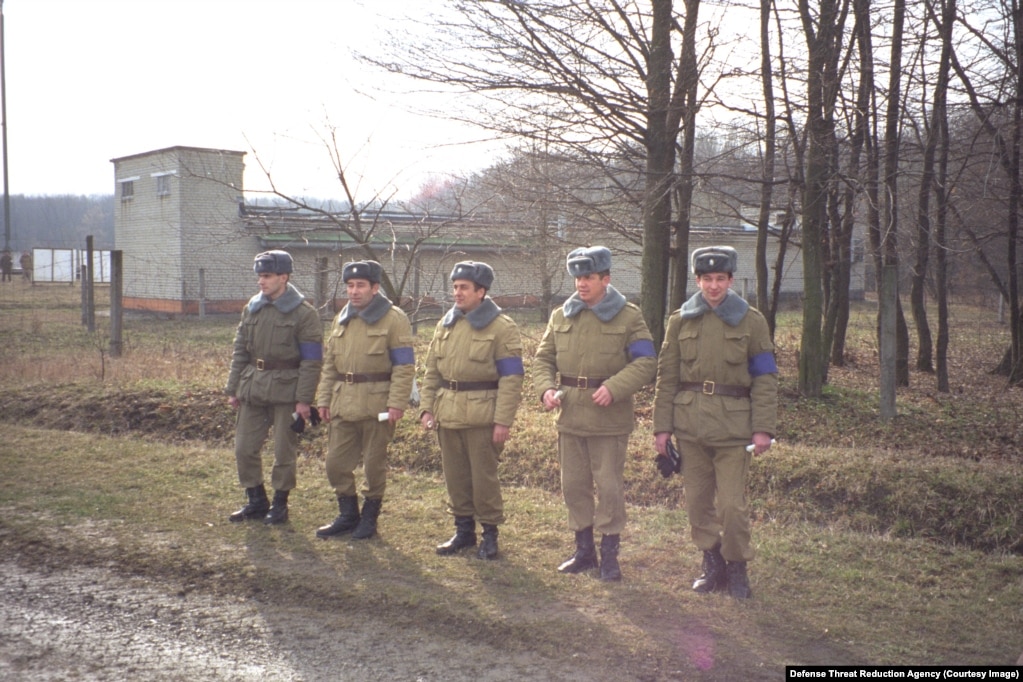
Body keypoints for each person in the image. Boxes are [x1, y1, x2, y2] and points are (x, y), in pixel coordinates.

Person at [652, 246, 778, 600]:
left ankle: (737, 567)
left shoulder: (752, 321)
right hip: (690, 427)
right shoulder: (680, 320)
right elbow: (667, 377)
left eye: (720, 278)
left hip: (734, 431)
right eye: (706, 279)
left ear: (731, 280)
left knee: (732, 507)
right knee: (698, 504)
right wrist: (662, 428)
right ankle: (712, 564)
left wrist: (763, 428)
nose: (713, 286)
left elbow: (766, 378)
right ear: (697, 280)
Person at [533, 246, 656, 582]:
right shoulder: (561, 316)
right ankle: (583, 550)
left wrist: (615, 387)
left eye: (588, 277)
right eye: (577, 277)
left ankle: (610, 555)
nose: (581, 283)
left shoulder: (629, 316)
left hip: (609, 419)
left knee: (610, 488)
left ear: (606, 278)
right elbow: (543, 359)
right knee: (573, 485)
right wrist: (545, 389)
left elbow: (646, 362)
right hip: (571, 415)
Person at [419, 261, 524, 560]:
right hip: (447, 414)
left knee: (483, 479)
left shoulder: (502, 327)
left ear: (481, 291)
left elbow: (512, 377)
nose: (457, 293)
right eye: (454, 287)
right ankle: (463, 531)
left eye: (464, 287)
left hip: (483, 416)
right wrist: (427, 408)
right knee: (456, 478)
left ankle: (490, 534)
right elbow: (431, 371)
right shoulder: (445, 325)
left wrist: (503, 420)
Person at [314, 260, 415, 541]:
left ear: (375, 288)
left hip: (377, 405)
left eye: (360, 285)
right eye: (350, 286)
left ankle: (369, 519)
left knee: (373, 465)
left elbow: (404, 366)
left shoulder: (394, 319)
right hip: (343, 403)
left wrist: (397, 403)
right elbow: (331, 365)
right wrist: (323, 400)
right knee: (335, 463)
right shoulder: (341, 318)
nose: (354, 291)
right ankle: (348, 515)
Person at [224, 250, 323, 525]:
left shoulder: (304, 314)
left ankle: (280, 504)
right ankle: (256, 500)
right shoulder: (252, 308)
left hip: (287, 392)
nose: (261, 282)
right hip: (253, 387)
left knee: (283, 452)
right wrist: (233, 389)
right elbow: (240, 351)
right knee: (244, 448)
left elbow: (312, 361)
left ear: (284, 277)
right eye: (259, 276)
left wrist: (304, 400)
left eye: (266, 276)